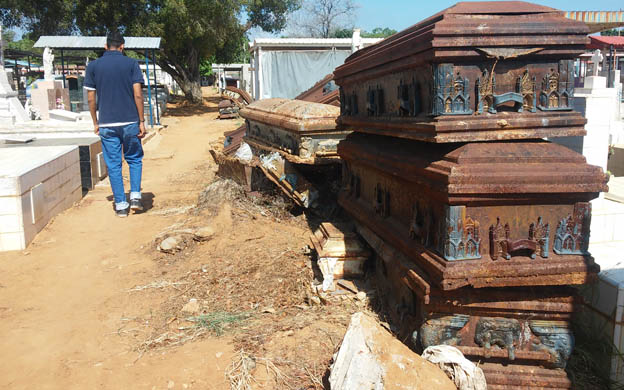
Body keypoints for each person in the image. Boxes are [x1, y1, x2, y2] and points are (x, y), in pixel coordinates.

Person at [84, 31, 146, 217]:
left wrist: (96, 122)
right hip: (130, 121)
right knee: (134, 159)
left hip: (107, 124)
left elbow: (90, 98)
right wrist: (141, 121)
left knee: (113, 164)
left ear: (105, 46)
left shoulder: (93, 66)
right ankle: (135, 196)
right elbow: (138, 94)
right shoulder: (131, 64)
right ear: (122, 46)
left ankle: (120, 205)